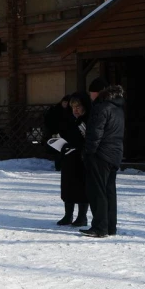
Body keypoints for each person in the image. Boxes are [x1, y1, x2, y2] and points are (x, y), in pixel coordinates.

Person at [81, 85, 125, 238]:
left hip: (100, 155)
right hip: (114, 154)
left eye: (91, 92)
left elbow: (95, 133)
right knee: (109, 191)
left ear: (98, 93)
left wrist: (88, 152)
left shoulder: (101, 108)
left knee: (97, 191)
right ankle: (110, 226)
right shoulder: (118, 108)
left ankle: (100, 227)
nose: (90, 95)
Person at [55, 92, 91, 227]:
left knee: (82, 187)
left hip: (83, 160)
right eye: (73, 107)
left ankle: (82, 217)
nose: (75, 110)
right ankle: (68, 215)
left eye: (78, 107)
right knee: (67, 186)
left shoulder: (89, 120)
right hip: (68, 158)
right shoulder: (67, 119)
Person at [44, 95, 71, 171]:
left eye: (67, 102)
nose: (65, 104)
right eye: (64, 102)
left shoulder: (70, 111)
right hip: (56, 133)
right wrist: (53, 132)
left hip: (66, 134)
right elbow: (49, 122)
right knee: (58, 151)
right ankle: (58, 166)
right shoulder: (55, 110)